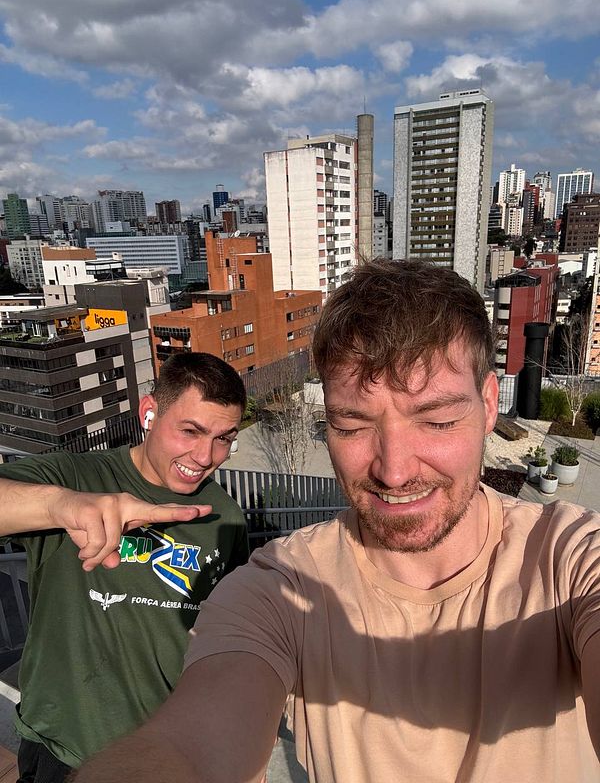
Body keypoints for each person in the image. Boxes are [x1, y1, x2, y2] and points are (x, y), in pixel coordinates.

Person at [75, 259, 600, 783]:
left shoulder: (568, 559)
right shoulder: (283, 587)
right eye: (351, 426)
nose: (394, 471)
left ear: (489, 405)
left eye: (436, 421)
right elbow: (190, 748)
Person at [0, 351, 249, 782]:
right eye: (190, 431)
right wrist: (62, 505)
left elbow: (228, 636)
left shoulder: (224, 516)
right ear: (149, 413)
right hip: (64, 743)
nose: (206, 456)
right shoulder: (73, 477)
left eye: (224, 438)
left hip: (164, 749)